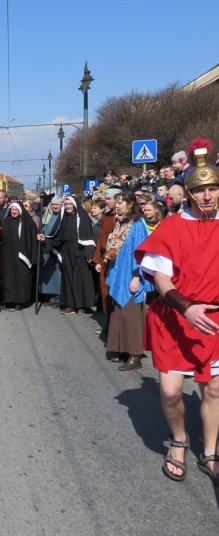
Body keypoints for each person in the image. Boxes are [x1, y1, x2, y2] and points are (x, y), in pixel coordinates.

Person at [135, 139, 219, 485]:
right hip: (176, 319)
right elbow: (161, 278)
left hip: (214, 322)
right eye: (200, 190)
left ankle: (211, 449)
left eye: (213, 188)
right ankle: (180, 440)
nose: (208, 196)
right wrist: (186, 307)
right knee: (171, 391)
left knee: (213, 390)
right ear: (187, 192)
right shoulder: (171, 226)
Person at [102, 193, 153, 371]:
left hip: (131, 275)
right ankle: (122, 349)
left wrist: (137, 277)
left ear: (130, 205)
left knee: (130, 315)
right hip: (119, 273)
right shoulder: (121, 223)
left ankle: (134, 355)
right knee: (119, 313)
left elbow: (141, 253)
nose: (117, 206)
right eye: (116, 203)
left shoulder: (138, 225)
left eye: (120, 203)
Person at [39, 195, 96, 315]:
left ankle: (81, 305)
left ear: (75, 205)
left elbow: (89, 238)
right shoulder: (63, 218)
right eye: (67, 204)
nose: (68, 206)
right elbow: (56, 237)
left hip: (80, 251)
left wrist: (89, 253)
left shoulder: (83, 217)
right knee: (68, 277)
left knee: (80, 278)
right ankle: (70, 304)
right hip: (67, 250)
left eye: (70, 204)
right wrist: (45, 239)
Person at [0, 202, 38, 310]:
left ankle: (20, 301)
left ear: (20, 211)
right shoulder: (5, 221)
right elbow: (0, 239)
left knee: (21, 277)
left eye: (16, 210)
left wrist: (38, 237)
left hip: (22, 255)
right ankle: (8, 300)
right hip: (7, 254)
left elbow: (33, 237)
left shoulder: (27, 222)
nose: (14, 212)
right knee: (8, 277)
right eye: (12, 210)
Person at [38, 197, 63, 305]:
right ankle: (48, 294)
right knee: (47, 272)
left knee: (57, 272)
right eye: (53, 204)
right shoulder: (47, 215)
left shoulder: (63, 217)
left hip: (57, 248)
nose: (55, 206)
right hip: (46, 246)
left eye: (57, 204)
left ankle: (58, 295)